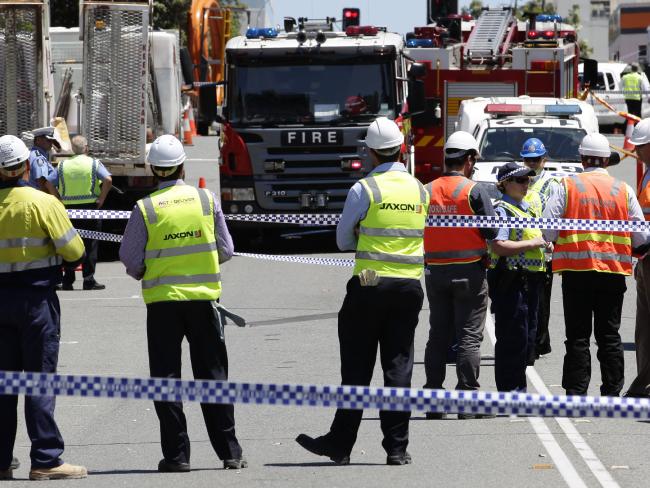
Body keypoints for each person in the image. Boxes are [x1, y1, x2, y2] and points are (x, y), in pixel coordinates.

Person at [296, 117, 428, 465]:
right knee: (398, 368)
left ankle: (340, 444)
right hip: (409, 286)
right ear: (401, 149)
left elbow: (342, 241)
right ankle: (397, 448)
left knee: (357, 368)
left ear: (370, 152)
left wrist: (362, 235)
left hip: (370, 283)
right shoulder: (419, 189)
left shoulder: (365, 189)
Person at [119, 134, 246, 472]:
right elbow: (226, 250)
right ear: (182, 167)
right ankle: (230, 452)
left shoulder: (145, 208)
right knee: (214, 377)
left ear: (153, 170)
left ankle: (177, 456)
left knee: (166, 378)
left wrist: (149, 269)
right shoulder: (206, 200)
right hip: (204, 302)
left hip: (162, 306)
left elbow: (130, 258)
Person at [0, 135, 87, 481]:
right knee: (38, 381)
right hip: (36, 304)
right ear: (24, 166)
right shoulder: (42, 203)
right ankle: (46, 460)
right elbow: (75, 252)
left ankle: (1, 461)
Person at [543, 133, 650, 396]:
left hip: (575, 272)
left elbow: (547, 230)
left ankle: (576, 393)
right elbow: (642, 237)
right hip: (612, 271)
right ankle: (612, 393)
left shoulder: (565, 185)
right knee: (609, 335)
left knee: (578, 336)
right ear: (606, 160)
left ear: (582, 158)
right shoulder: (622, 190)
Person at [421, 130, 497, 419]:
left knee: (438, 335)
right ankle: (468, 400)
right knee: (468, 336)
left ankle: (433, 400)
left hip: (436, 273)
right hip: (469, 273)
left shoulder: (426, 190)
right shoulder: (474, 191)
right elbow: (491, 231)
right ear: (469, 159)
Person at [489, 162, 552, 392]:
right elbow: (499, 245)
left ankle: (518, 389)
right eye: (521, 180)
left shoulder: (529, 209)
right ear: (505, 184)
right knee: (512, 339)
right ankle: (511, 392)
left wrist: (545, 245)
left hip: (531, 282)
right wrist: (533, 243)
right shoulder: (502, 211)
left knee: (528, 338)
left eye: (528, 180)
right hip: (511, 281)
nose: (526, 184)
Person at [520, 138, 562, 358]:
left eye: (536, 160)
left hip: (544, 249)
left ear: (544, 159)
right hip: (522, 248)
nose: (532, 164)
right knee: (526, 298)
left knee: (542, 299)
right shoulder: (519, 180)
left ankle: (539, 342)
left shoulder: (552, 183)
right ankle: (531, 340)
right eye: (528, 160)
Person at [58, 135, 111, 291]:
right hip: (90, 209)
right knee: (90, 244)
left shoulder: (63, 165)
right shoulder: (94, 163)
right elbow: (108, 180)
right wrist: (101, 198)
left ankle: (68, 281)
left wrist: (58, 199)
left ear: (73, 149)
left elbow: (49, 182)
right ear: (86, 148)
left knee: (69, 244)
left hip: (69, 211)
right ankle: (88, 280)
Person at [625, 118, 650, 398]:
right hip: (645, 258)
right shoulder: (646, 173)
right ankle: (643, 383)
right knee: (643, 327)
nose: (638, 152)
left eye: (642, 147)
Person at [28, 126, 60, 197]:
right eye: (48, 140)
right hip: (40, 197)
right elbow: (42, 182)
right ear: (38, 140)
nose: (51, 143)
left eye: (52, 141)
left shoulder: (36, 154)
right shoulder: (39, 158)